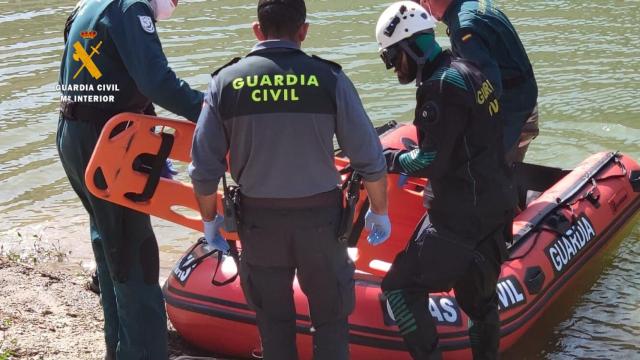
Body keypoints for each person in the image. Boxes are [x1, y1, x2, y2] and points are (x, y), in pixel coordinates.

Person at [188, 1, 390, 359]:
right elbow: (370, 158)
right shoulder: (329, 78)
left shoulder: (225, 82)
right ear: (304, 31)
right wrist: (379, 210)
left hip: (259, 225)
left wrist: (209, 221)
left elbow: (204, 169)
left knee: (273, 321)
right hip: (321, 224)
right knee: (330, 320)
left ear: (257, 30)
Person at [57, 0, 203, 358]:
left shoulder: (92, 5)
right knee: (134, 252)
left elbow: (111, 75)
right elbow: (157, 81)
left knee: (111, 249)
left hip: (75, 134)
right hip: (105, 140)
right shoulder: (130, 8)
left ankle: (118, 348)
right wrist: (212, 111)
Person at [375, 2, 515, 359]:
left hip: (458, 218)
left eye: (392, 59)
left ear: (409, 47)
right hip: (495, 206)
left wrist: (385, 159)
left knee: (399, 290)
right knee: (479, 304)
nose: (393, 69)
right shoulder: (470, 68)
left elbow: (428, 161)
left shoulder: (438, 88)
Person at [418, 0, 539, 164]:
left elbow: (487, 88)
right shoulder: (475, 5)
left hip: (513, 112)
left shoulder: (463, 29)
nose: (423, 10)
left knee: (475, 170)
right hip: (525, 100)